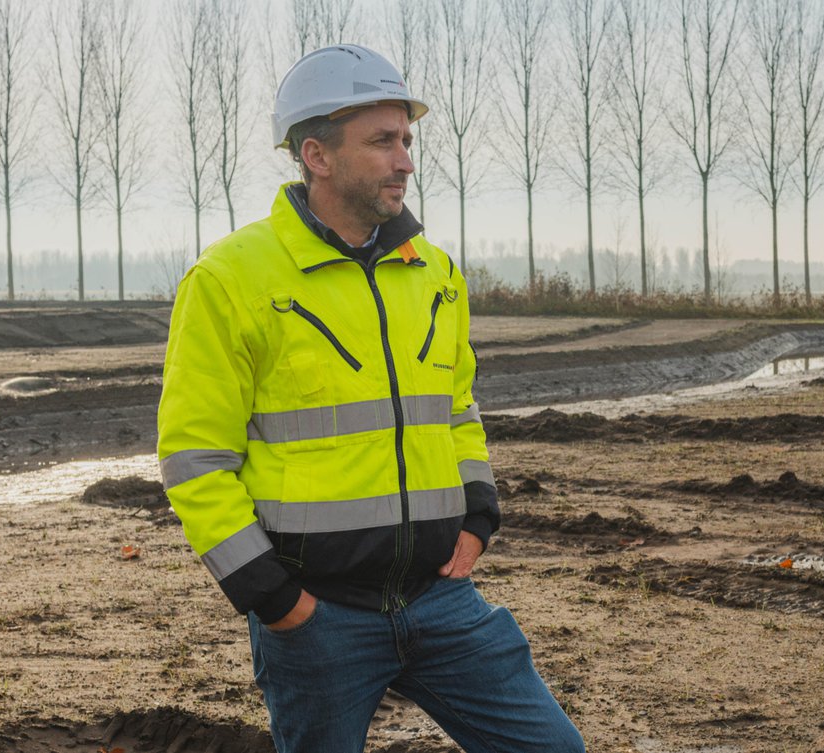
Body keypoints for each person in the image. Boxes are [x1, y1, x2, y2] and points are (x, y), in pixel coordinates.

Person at [156, 44, 584, 753]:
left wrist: (477, 513)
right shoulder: (229, 279)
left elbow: (456, 408)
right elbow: (193, 459)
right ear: (317, 155)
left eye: (407, 139)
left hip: (441, 599)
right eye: (382, 141)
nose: (405, 159)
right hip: (319, 619)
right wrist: (277, 600)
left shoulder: (434, 272)